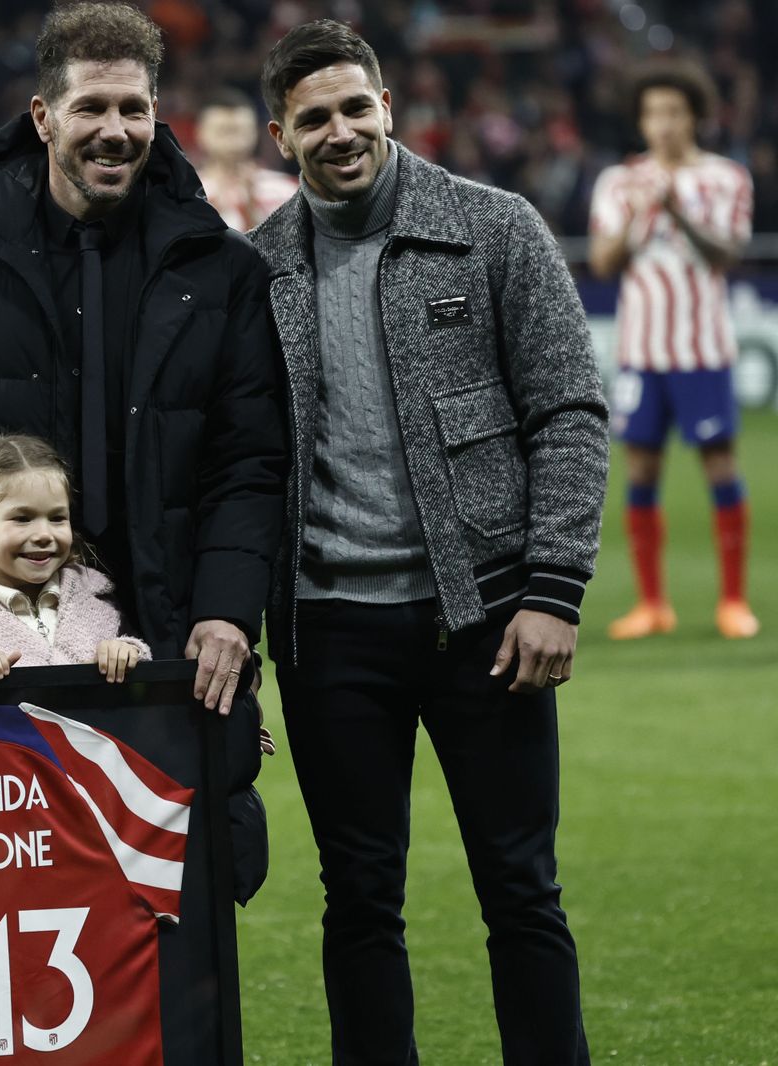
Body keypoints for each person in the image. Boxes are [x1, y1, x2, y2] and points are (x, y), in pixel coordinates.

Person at [0, 1, 284, 906]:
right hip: (0, 638)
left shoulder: (221, 268)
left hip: (167, 633)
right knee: (8, 892)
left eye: (134, 109)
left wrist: (226, 613)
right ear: (44, 117)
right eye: (92, 107)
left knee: (186, 898)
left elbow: (249, 462)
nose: (115, 130)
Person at [250, 20, 610, 1064]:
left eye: (354, 108)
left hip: (488, 618)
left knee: (520, 887)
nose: (339, 131)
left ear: (387, 108)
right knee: (358, 898)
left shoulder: (495, 227)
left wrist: (553, 587)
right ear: (281, 134)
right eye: (312, 118)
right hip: (331, 631)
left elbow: (569, 410)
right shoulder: (256, 267)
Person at [590, 64, 758, 640]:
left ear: (695, 117)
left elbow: (727, 254)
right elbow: (603, 262)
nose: (662, 124)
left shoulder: (726, 178)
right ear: (641, 119)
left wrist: (679, 212)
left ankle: (733, 601)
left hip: (703, 348)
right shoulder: (618, 181)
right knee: (640, 469)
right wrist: (641, 212)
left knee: (720, 465)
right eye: (653, 113)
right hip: (642, 351)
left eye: (674, 112)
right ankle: (651, 604)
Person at [0, 432, 152, 681]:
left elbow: (143, 700)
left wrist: (128, 653)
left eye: (57, 518)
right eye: (22, 519)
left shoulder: (99, 599)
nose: (43, 535)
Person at [193, 86, 299, 232]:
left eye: (239, 130)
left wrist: (252, 211)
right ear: (200, 132)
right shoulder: (184, 192)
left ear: (255, 132)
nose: (231, 140)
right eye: (223, 130)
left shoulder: (285, 190)